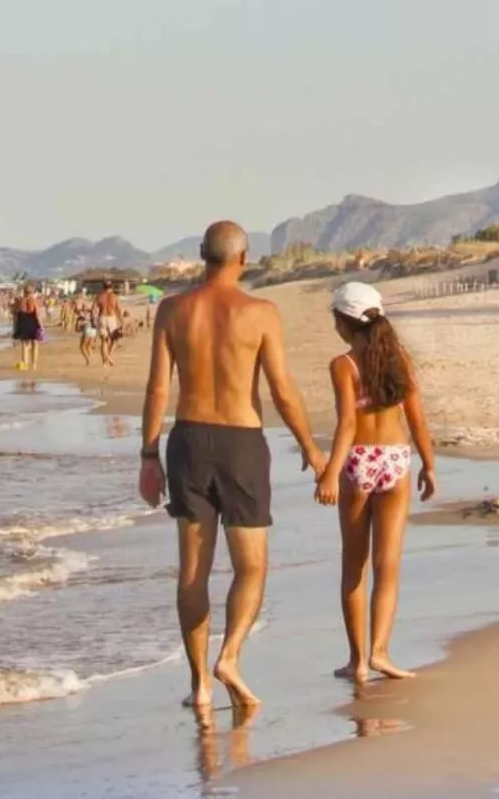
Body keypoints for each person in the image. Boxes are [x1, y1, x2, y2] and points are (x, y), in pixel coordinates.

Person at [139, 220, 327, 711]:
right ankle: (230, 657)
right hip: (242, 444)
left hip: (188, 441)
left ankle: (200, 684)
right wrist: (312, 450)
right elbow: (282, 390)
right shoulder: (261, 313)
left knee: (192, 573)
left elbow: (158, 388)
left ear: (202, 254)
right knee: (253, 566)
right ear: (244, 259)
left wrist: (148, 455)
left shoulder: (173, 309)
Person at [315, 282, 436, 684]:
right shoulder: (399, 358)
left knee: (355, 566)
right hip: (397, 459)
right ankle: (381, 652)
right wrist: (429, 466)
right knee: (388, 566)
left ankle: (358, 661)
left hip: (360, 461)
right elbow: (417, 418)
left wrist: (331, 471)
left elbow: (348, 423)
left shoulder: (344, 365)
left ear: (344, 323)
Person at [12, 285, 43, 371]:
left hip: (22, 322)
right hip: (32, 321)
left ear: (24, 292)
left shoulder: (19, 301)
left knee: (24, 344)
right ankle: (34, 365)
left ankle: (25, 364)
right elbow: (37, 314)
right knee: (35, 344)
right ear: (33, 292)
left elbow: (14, 313)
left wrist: (15, 327)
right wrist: (42, 326)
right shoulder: (34, 301)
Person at [96, 280, 123, 368]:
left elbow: (93, 309)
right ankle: (109, 356)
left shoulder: (99, 296)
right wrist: (121, 321)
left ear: (103, 287)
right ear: (111, 287)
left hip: (102, 317)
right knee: (114, 340)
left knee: (104, 341)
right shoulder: (115, 296)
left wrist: (93, 320)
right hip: (112, 318)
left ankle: (104, 363)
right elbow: (118, 309)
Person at [76, 295, 98, 367]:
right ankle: (92, 360)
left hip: (87, 329)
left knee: (82, 347)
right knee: (88, 347)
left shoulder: (82, 314)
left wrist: (78, 327)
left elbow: (78, 327)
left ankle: (88, 360)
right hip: (94, 330)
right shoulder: (93, 312)